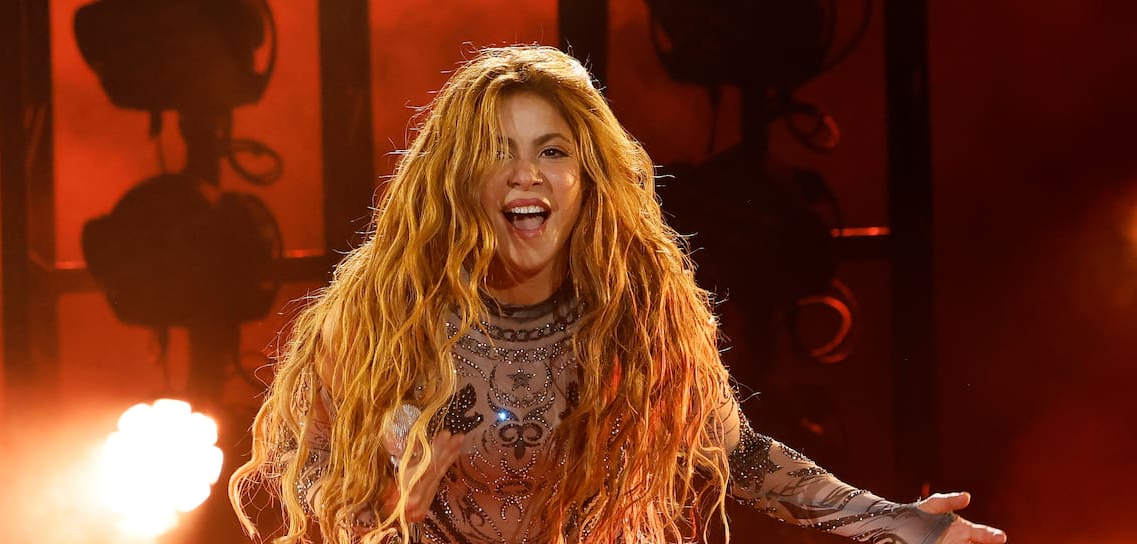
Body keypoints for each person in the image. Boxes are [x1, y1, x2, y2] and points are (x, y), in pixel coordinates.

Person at [228, 45, 1006, 544]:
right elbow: (299, 486)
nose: (526, 173)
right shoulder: (377, 322)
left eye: (552, 151)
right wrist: (397, 498)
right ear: (458, 180)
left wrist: (889, 520)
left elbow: (735, 454)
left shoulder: (635, 317)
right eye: (497, 153)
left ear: (585, 179)